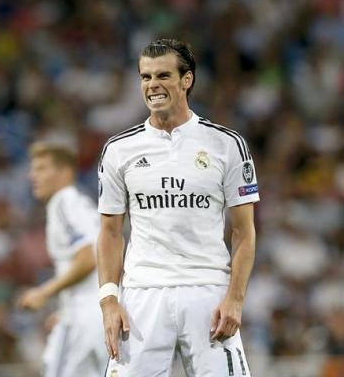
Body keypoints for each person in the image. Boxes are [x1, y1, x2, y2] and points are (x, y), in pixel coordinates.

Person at [97, 39, 259, 376]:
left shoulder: (226, 145)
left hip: (207, 291)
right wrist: (109, 299)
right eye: (145, 77)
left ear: (187, 80)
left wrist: (235, 298)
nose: (152, 85)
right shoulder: (118, 150)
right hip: (143, 294)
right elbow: (110, 232)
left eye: (163, 75)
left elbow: (244, 231)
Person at [18, 142, 107, 377]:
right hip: (97, 311)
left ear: (64, 172)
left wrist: (43, 292)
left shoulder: (64, 202)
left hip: (83, 316)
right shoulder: (81, 204)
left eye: (41, 168)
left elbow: (88, 259)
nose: (32, 175)